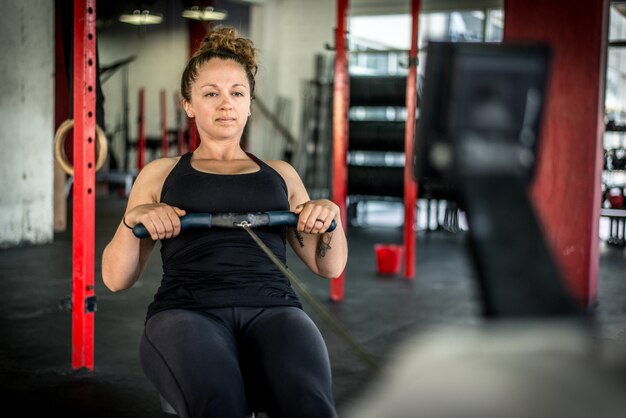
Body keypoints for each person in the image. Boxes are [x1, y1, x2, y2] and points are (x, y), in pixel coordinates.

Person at [101, 26, 347, 418]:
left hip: (275, 309)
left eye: (237, 92)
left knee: (311, 406)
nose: (225, 103)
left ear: (250, 104)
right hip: (186, 311)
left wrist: (329, 218)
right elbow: (115, 279)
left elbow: (328, 266)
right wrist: (135, 221)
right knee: (220, 406)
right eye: (211, 93)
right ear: (189, 105)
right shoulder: (161, 173)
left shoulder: (281, 175)